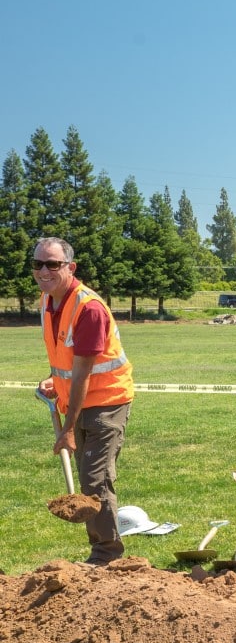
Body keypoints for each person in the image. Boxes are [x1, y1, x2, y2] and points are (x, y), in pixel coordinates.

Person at [34, 236, 134, 566]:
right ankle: (102, 551)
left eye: (53, 264)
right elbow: (64, 359)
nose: (44, 271)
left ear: (70, 267)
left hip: (107, 401)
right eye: (38, 264)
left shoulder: (88, 308)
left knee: (94, 478)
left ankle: (107, 556)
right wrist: (54, 381)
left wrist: (67, 428)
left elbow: (83, 374)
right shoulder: (47, 301)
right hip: (78, 398)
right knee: (90, 477)